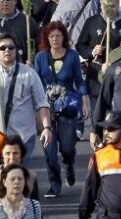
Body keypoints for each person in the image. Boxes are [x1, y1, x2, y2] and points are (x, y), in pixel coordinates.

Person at [0, 30, 53, 158]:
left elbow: (41, 103)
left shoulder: (29, 74)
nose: (7, 50)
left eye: (11, 47)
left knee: (18, 176)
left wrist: (46, 128)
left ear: (16, 50)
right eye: (2, 48)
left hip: (23, 137)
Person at [34, 20, 89, 197]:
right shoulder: (40, 57)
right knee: (49, 150)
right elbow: (35, 82)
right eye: (51, 36)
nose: (55, 39)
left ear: (64, 37)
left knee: (66, 147)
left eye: (58, 35)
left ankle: (69, 165)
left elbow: (79, 82)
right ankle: (54, 184)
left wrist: (85, 100)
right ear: (47, 38)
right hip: (46, 109)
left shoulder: (72, 56)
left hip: (67, 107)